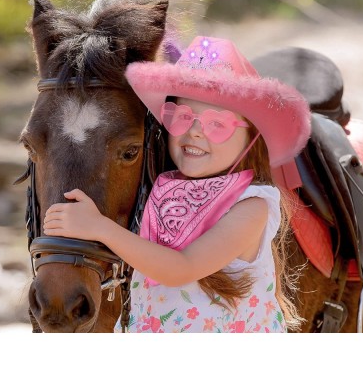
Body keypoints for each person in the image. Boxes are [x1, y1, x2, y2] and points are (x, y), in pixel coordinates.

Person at [44, 36, 311, 333]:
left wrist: (100, 227)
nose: (195, 132)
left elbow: (181, 269)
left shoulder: (252, 206)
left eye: (216, 124)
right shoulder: (162, 190)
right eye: (183, 117)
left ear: (251, 140)